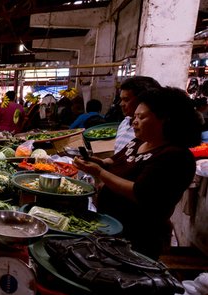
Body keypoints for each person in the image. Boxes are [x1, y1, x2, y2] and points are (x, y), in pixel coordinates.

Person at [74, 87, 201, 259]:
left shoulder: (175, 157)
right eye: (135, 116)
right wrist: (98, 162)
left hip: (138, 238)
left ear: (165, 120)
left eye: (141, 117)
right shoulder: (139, 142)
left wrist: (99, 172)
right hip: (111, 227)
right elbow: (114, 162)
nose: (134, 122)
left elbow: (141, 193)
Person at [114, 76, 161, 154]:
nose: (121, 104)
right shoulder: (125, 122)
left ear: (143, 101)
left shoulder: (148, 133)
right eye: (121, 99)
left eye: (126, 100)